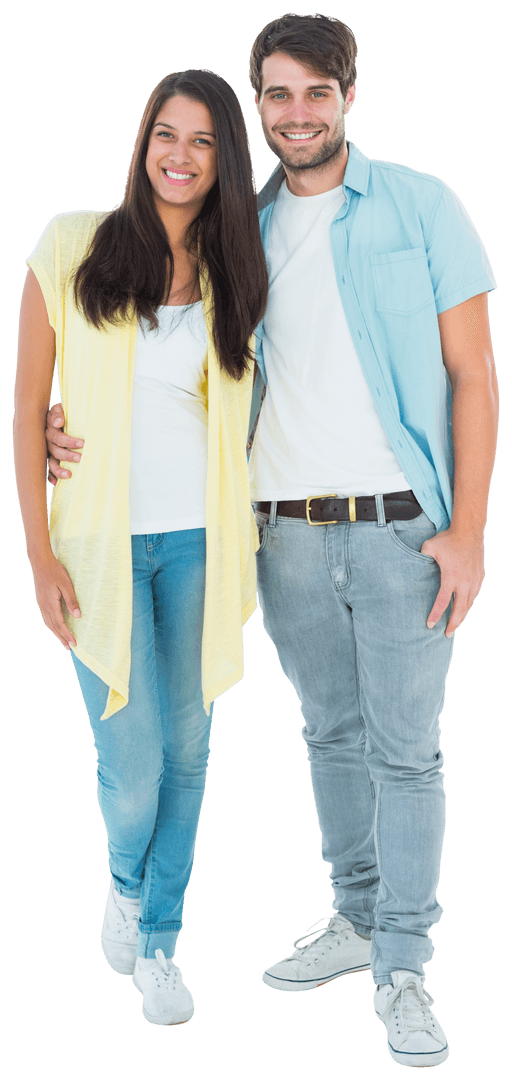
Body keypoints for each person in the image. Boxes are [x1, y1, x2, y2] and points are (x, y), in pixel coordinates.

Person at [44, 12, 499, 1069]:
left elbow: (474, 375)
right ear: (259, 106)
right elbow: (166, 375)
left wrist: (468, 531)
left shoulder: (420, 205)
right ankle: (350, 919)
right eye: (278, 94)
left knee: (408, 753)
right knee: (330, 740)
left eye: (316, 91)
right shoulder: (232, 234)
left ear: (348, 95)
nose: (297, 112)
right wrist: (72, 429)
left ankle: (403, 968)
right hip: (279, 535)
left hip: (401, 532)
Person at [13, 68, 267, 1028]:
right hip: (97, 545)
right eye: (169, 133)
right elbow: (29, 406)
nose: (181, 154)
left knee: (190, 748)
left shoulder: (236, 270)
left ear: (223, 160)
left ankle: (159, 940)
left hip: (201, 542)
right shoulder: (71, 242)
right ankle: (126, 884)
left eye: (203, 141)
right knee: (134, 761)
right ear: (144, 140)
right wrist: (39, 558)